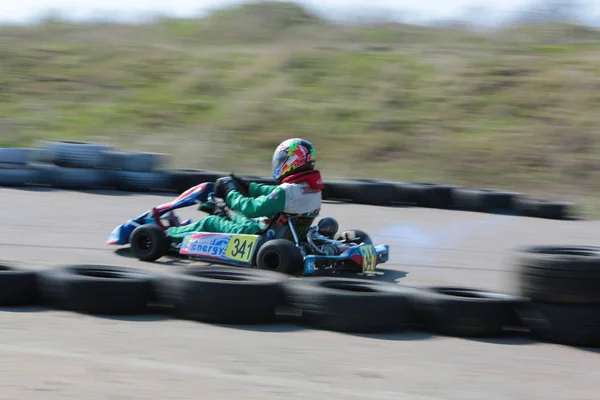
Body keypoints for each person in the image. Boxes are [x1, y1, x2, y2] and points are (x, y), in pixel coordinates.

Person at [165, 138, 325, 243]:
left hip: (260, 236)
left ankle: (168, 234)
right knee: (229, 213)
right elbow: (271, 192)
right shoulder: (311, 188)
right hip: (283, 234)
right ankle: (223, 211)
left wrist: (230, 192)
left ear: (291, 161)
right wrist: (248, 186)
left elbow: (250, 209)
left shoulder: (287, 192)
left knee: (210, 222)